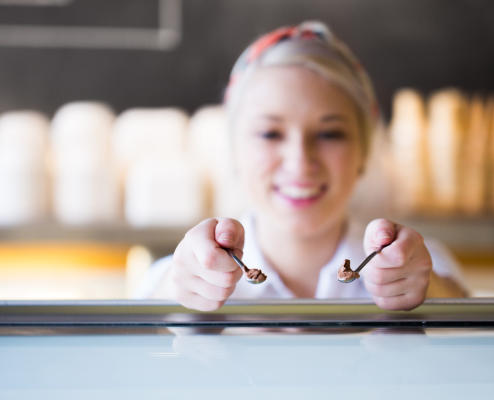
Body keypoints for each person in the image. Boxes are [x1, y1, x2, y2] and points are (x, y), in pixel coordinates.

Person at [142, 21, 467, 311]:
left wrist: (428, 293)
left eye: (329, 133)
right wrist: (177, 289)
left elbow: (464, 327)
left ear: (364, 149)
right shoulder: (176, 276)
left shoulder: (419, 265)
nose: (300, 162)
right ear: (235, 150)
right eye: (270, 133)